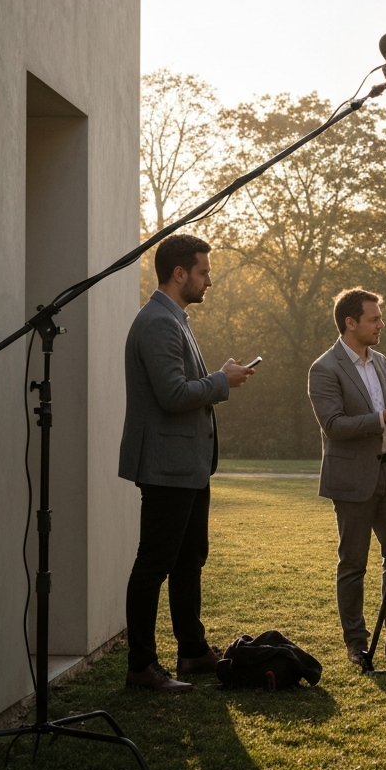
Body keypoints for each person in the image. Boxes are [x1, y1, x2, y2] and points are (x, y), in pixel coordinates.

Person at [118, 234, 255, 692]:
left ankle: (193, 652)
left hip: (188, 465)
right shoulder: (158, 322)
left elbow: (181, 383)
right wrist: (222, 380)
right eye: (203, 271)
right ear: (179, 274)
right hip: (167, 466)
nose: (209, 281)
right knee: (154, 563)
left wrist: (218, 375)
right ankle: (142, 666)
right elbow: (173, 394)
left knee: (189, 559)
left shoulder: (175, 318)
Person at [308, 288, 386, 665]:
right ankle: (356, 643)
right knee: (353, 562)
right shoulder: (324, 368)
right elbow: (334, 425)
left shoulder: (380, 361)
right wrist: (384, 417)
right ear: (351, 323)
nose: (381, 324)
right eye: (374, 319)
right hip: (352, 479)